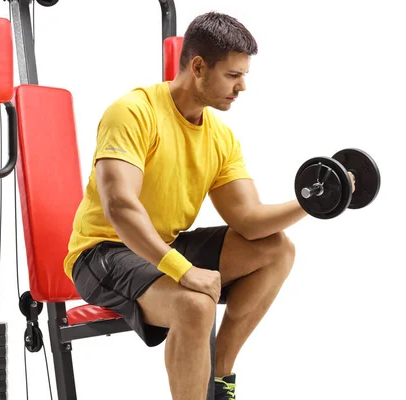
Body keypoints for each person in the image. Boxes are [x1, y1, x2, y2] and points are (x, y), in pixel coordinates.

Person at [64, 11, 353, 400]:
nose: (243, 86)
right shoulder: (133, 112)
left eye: (244, 75)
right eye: (233, 76)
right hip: (103, 251)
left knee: (276, 248)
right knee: (195, 304)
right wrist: (183, 271)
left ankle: (219, 379)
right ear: (198, 67)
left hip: (163, 244)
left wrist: (313, 200)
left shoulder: (220, 137)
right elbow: (120, 206)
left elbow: (250, 222)